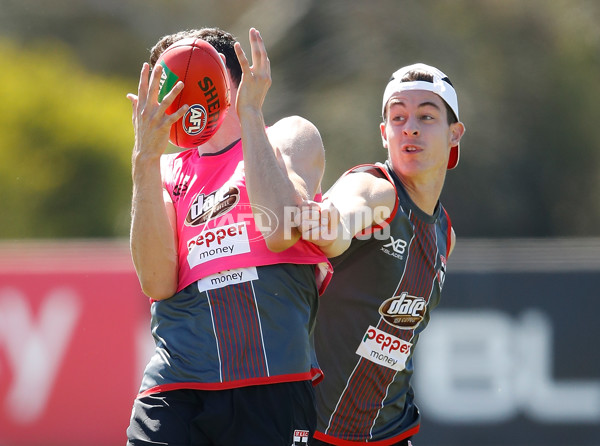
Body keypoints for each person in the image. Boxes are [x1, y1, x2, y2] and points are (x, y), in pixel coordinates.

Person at [125, 27, 331, 446]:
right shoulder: (164, 171)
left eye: (184, 79)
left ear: (222, 77)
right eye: (167, 86)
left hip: (273, 378)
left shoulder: (288, 136)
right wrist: (144, 158)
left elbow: (277, 230)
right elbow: (156, 281)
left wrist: (250, 115)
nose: (174, 96)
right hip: (178, 382)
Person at [299, 63, 466, 445]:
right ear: (384, 133)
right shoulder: (377, 191)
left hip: (392, 432)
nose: (410, 127)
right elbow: (339, 217)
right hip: (318, 431)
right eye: (398, 117)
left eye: (427, 115)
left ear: (454, 134)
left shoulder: (446, 234)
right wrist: (326, 220)